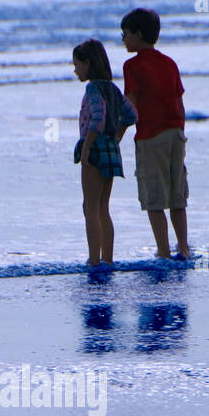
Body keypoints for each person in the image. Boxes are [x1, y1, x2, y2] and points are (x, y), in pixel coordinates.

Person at [121, 8, 190, 259]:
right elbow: (179, 101)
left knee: (155, 198)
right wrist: (181, 132)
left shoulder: (132, 65)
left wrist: (117, 135)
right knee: (177, 195)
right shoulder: (169, 63)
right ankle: (183, 247)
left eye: (125, 33)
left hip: (151, 136)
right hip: (175, 134)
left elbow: (131, 105)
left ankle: (163, 250)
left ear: (138, 34)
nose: (123, 39)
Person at [72, 39, 137, 267]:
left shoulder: (93, 89)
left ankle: (94, 259)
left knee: (90, 207)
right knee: (102, 207)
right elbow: (131, 115)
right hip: (110, 148)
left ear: (88, 63)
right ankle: (107, 258)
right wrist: (117, 136)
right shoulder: (113, 88)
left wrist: (87, 147)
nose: (75, 70)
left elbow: (97, 118)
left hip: (96, 148)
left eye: (77, 64)